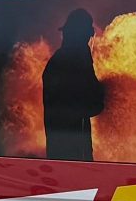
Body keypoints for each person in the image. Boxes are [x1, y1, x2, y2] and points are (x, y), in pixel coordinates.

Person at [39, 8, 108, 161]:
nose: (88, 40)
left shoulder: (64, 60)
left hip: (69, 151)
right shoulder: (70, 62)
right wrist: (104, 94)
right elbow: (84, 103)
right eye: (86, 35)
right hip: (69, 153)